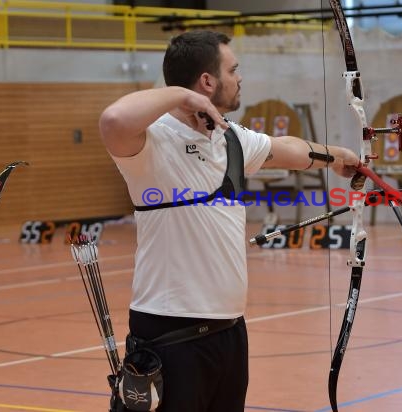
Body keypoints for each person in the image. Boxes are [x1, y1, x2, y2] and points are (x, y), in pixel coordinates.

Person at [99, 30, 360, 412]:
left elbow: (285, 147)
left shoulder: (229, 138)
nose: (240, 78)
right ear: (207, 81)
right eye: (233, 70)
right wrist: (182, 95)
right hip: (171, 332)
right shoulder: (150, 142)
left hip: (229, 330)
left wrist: (337, 155)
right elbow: (113, 119)